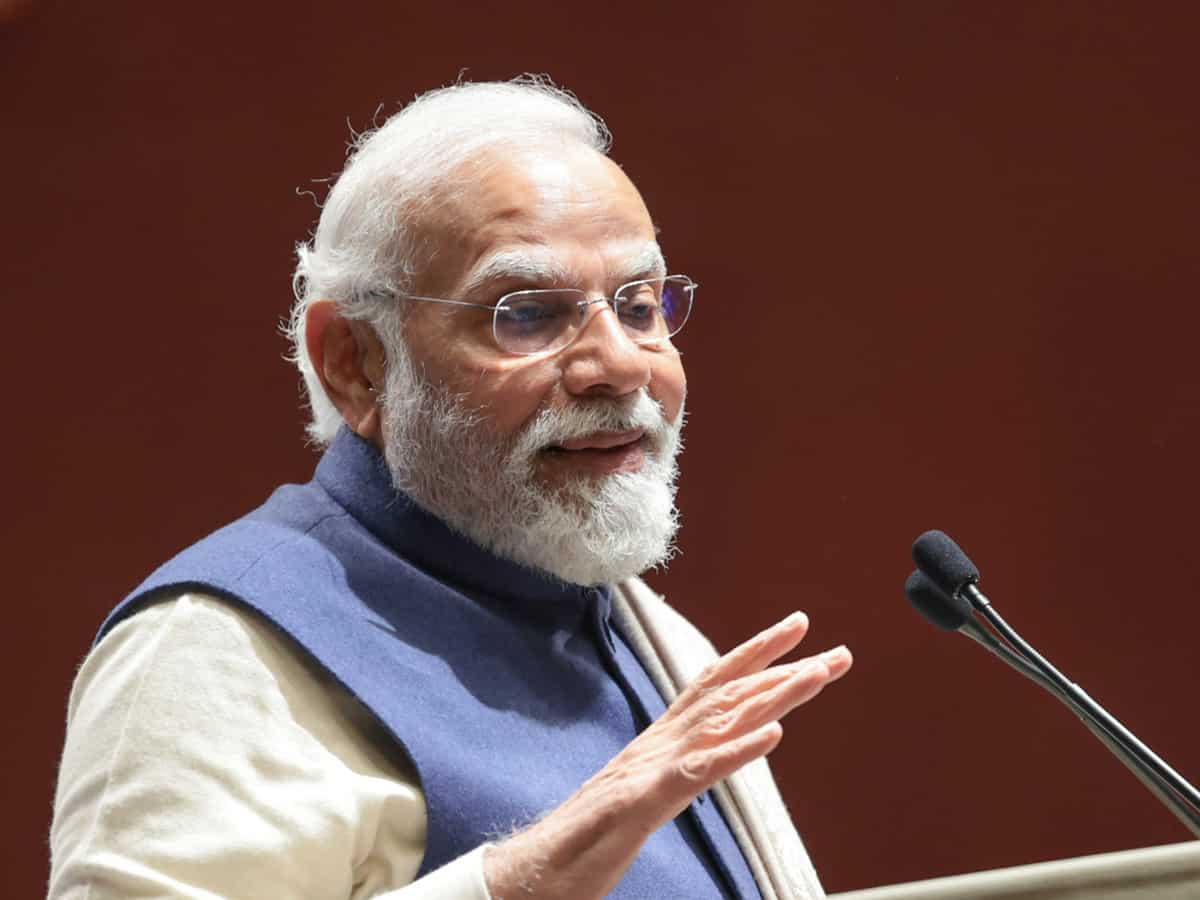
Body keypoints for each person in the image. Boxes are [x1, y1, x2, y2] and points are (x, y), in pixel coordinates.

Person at [48, 77, 853, 900]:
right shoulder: (214, 651)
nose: (619, 365)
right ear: (356, 364)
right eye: (528, 313)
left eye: (639, 305)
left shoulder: (646, 630)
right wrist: (515, 881)